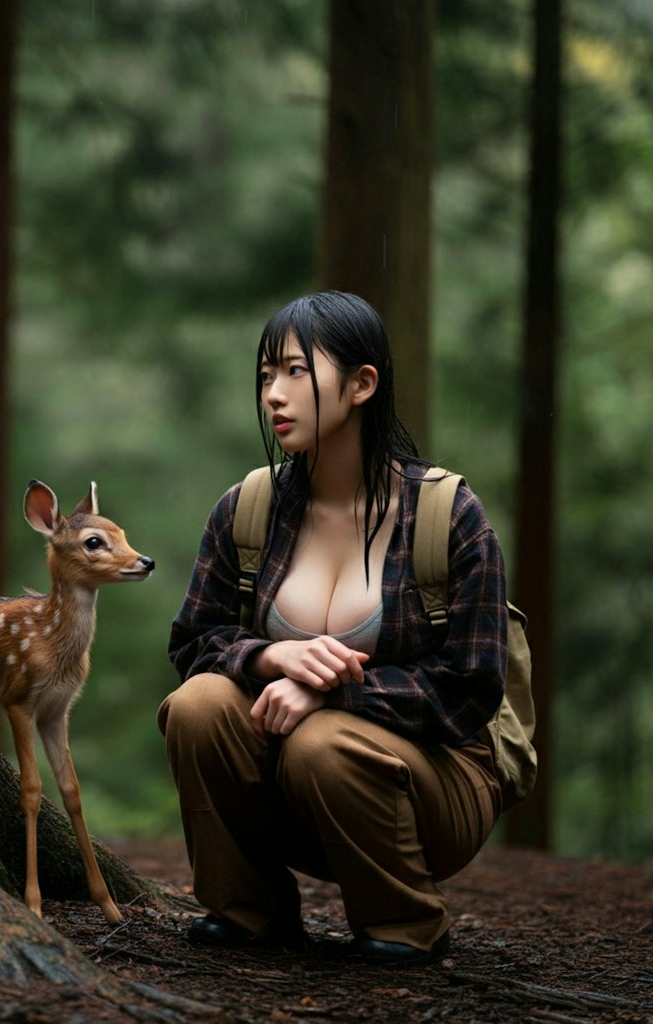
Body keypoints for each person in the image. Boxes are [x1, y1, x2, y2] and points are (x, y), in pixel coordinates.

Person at [160, 291, 509, 965]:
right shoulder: (249, 508)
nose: (273, 394)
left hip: (434, 786)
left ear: (361, 384)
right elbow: (193, 642)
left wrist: (330, 693)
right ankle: (248, 911)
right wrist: (272, 659)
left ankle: (407, 921)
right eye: (265, 376)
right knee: (197, 705)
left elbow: (470, 689)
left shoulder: (446, 517)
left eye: (294, 371)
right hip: (290, 787)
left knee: (323, 743)